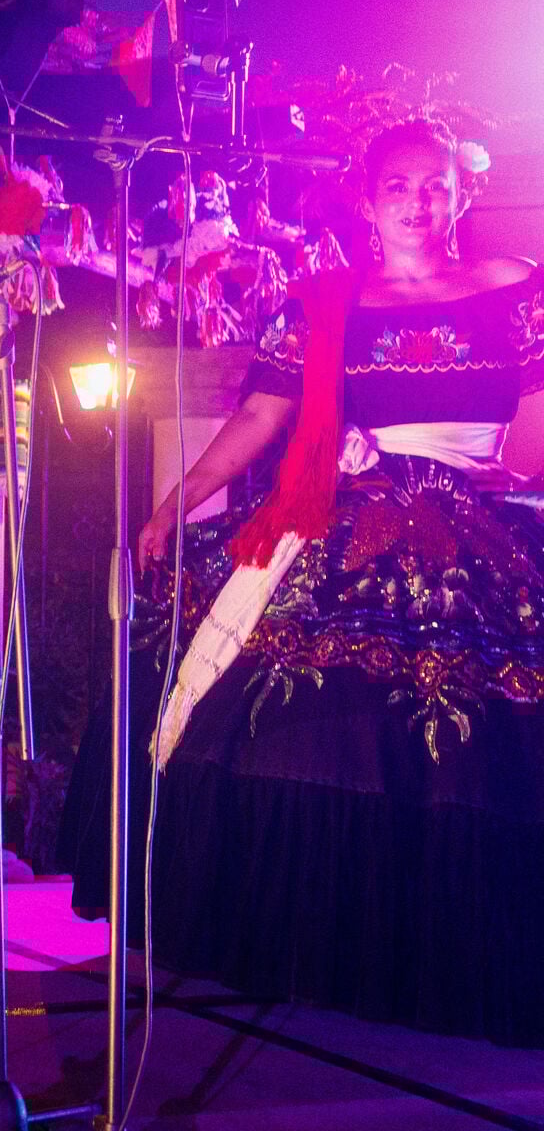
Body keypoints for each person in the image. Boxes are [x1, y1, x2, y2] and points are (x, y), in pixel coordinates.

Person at [63, 117, 544, 1044]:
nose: (419, 202)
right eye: (398, 186)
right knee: (298, 718)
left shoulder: (520, 289)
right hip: (352, 517)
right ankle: (322, 944)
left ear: (465, 193)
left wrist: (509, 480)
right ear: (367, 201)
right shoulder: (323, 301)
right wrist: (175, 501)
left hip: (491, 514)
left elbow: (537, 410)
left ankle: (457, 953)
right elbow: (261, 415)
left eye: (436, 185)